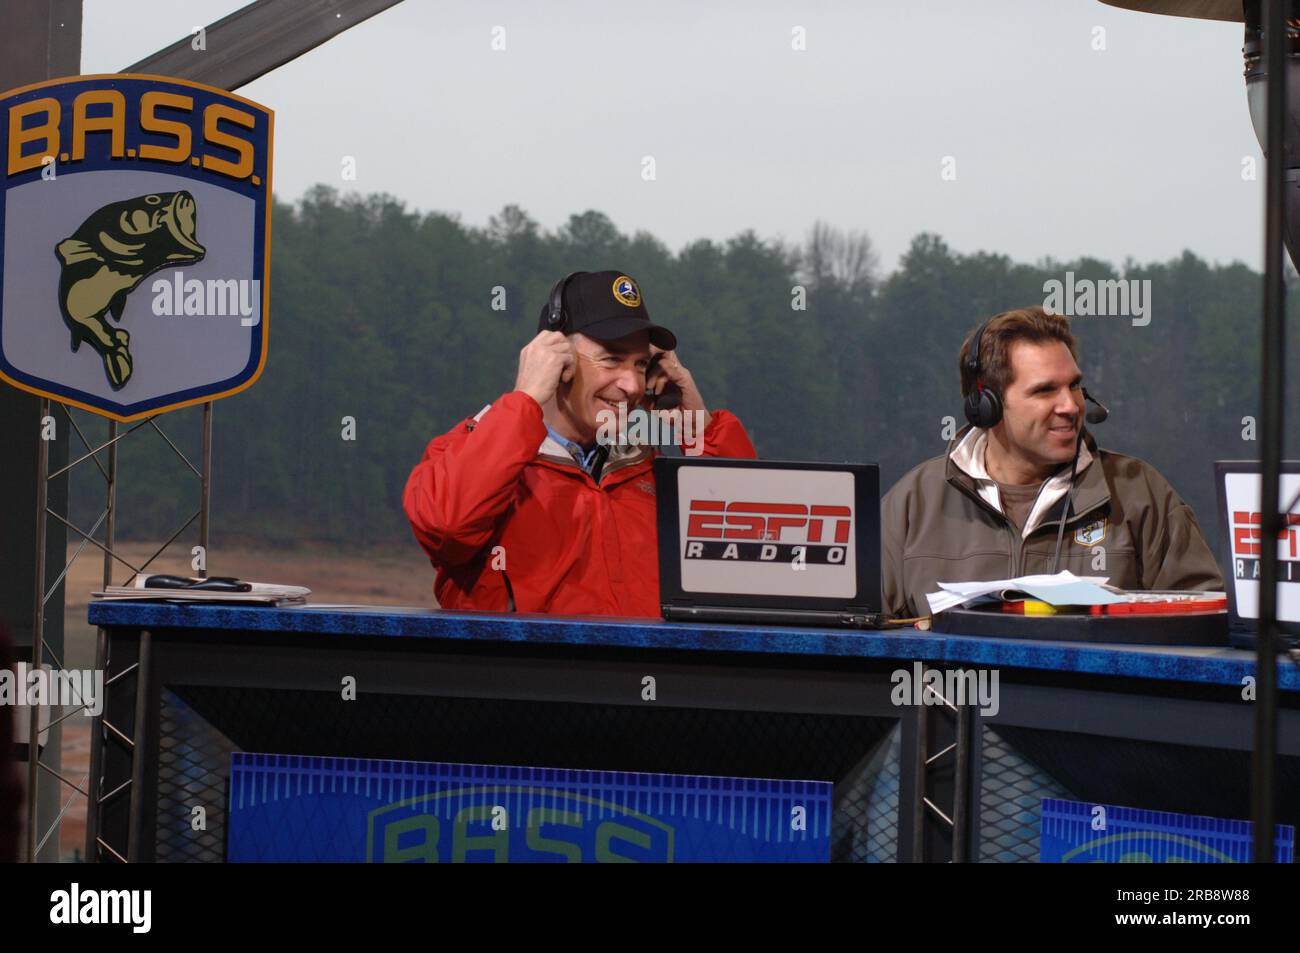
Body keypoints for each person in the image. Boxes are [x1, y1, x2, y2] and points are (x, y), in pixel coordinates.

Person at [403, 270, 756, 617]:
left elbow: (753, 549)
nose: (632, 385)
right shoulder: (465, 451)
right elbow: (448, 528)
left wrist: (700, 427)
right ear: (555, 357)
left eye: (641, 364)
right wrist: (524, 399)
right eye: (611, 359)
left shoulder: (653, 469)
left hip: (653, 675)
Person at [882, 305, 1223, 619]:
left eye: (1074, 386)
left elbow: (1206, 618)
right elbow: (857, 632)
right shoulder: (912, 504)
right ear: (986, 404)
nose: (1071, 406)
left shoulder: (1139, 492)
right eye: (1045, 390)